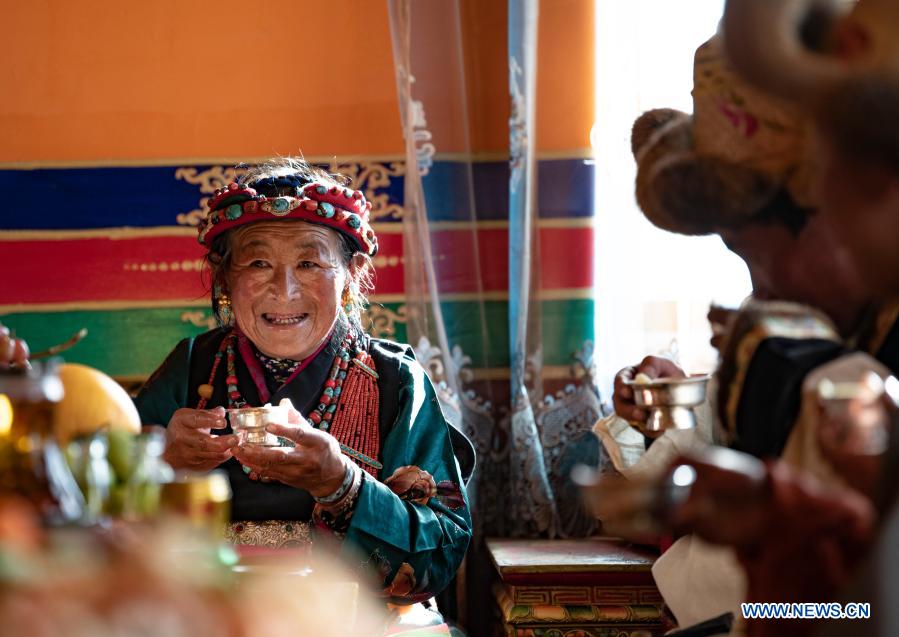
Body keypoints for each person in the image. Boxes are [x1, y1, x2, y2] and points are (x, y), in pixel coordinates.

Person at [134, 158, 472, 604]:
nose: (285, 291)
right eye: (257, 263)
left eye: (310, 263)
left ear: (350, 276)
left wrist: (342, 484)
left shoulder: (396, 381)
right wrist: (162, 462)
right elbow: (95, 525)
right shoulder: (195, 366)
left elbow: (440, 556)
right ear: (224, 281)